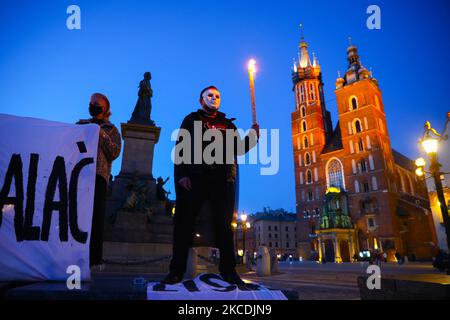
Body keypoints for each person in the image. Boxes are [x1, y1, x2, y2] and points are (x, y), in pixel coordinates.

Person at [162, 86, 259, 285]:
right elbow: (180, 148)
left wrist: (252, 137)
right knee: (184, 223)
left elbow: (238, 149)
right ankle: (176, 271)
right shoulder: (191, 120)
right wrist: (181, 175)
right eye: (210, 95)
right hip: (195, 178)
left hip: (221, 180)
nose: (214, 98)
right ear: (201, 100)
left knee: (224, 226)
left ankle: (229, 272)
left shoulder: (227, 124)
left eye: (217, 96)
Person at [77, 93, 121, 269]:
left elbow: (114, 152)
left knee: (96, 219)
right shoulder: (80, 125)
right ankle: (71, 254)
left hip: (99, 177)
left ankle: (94, 259)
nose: (93, 105)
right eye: (91, 103)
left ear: (105, 109)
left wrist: (99, 133)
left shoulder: (112, 130)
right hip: (78, 174)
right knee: (76, 215)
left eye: (97, 103)